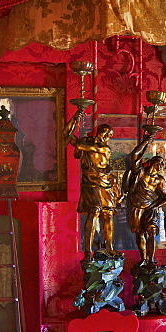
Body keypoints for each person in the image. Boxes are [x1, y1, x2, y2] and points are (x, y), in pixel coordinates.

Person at [64, 104, 121, 259]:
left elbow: (74, 141)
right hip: (91, 181)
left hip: (105, 182)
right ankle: (88, 249)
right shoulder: (89, 144)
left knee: (108, 214)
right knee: (94, 212)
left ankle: (109, 247)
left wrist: (79, 137)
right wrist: (76, 116)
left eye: (109, 135)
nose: (108, 137)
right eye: (107, 133)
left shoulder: (103, 148)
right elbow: (67, 135)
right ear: (101, 132)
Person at [124, 126, 166, 265]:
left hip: (150, 208)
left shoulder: (159, 180)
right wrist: (146, 141)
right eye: (159, 162)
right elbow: (133, 156)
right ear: (151, 162)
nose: (161, 165)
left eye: (162, 164)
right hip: (136, 206)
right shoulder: (140, 173)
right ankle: (144, 259)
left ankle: (151, 260)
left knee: (151, 231)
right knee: (139, 233)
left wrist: (154, 205)